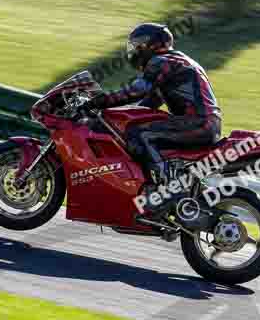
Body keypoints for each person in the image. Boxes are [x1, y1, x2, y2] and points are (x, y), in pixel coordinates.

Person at [83, 23, 222, 216]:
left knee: (142, 135)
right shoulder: (174, 61)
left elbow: (137, 90)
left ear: (149, 44)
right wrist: (116, 114)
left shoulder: (161, 61)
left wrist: (101, 101)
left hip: (198, 122)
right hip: (203, 122)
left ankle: (164, 194)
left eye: (137, 45)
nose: (134, 50)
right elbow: (148, 104)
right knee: (139, 129)